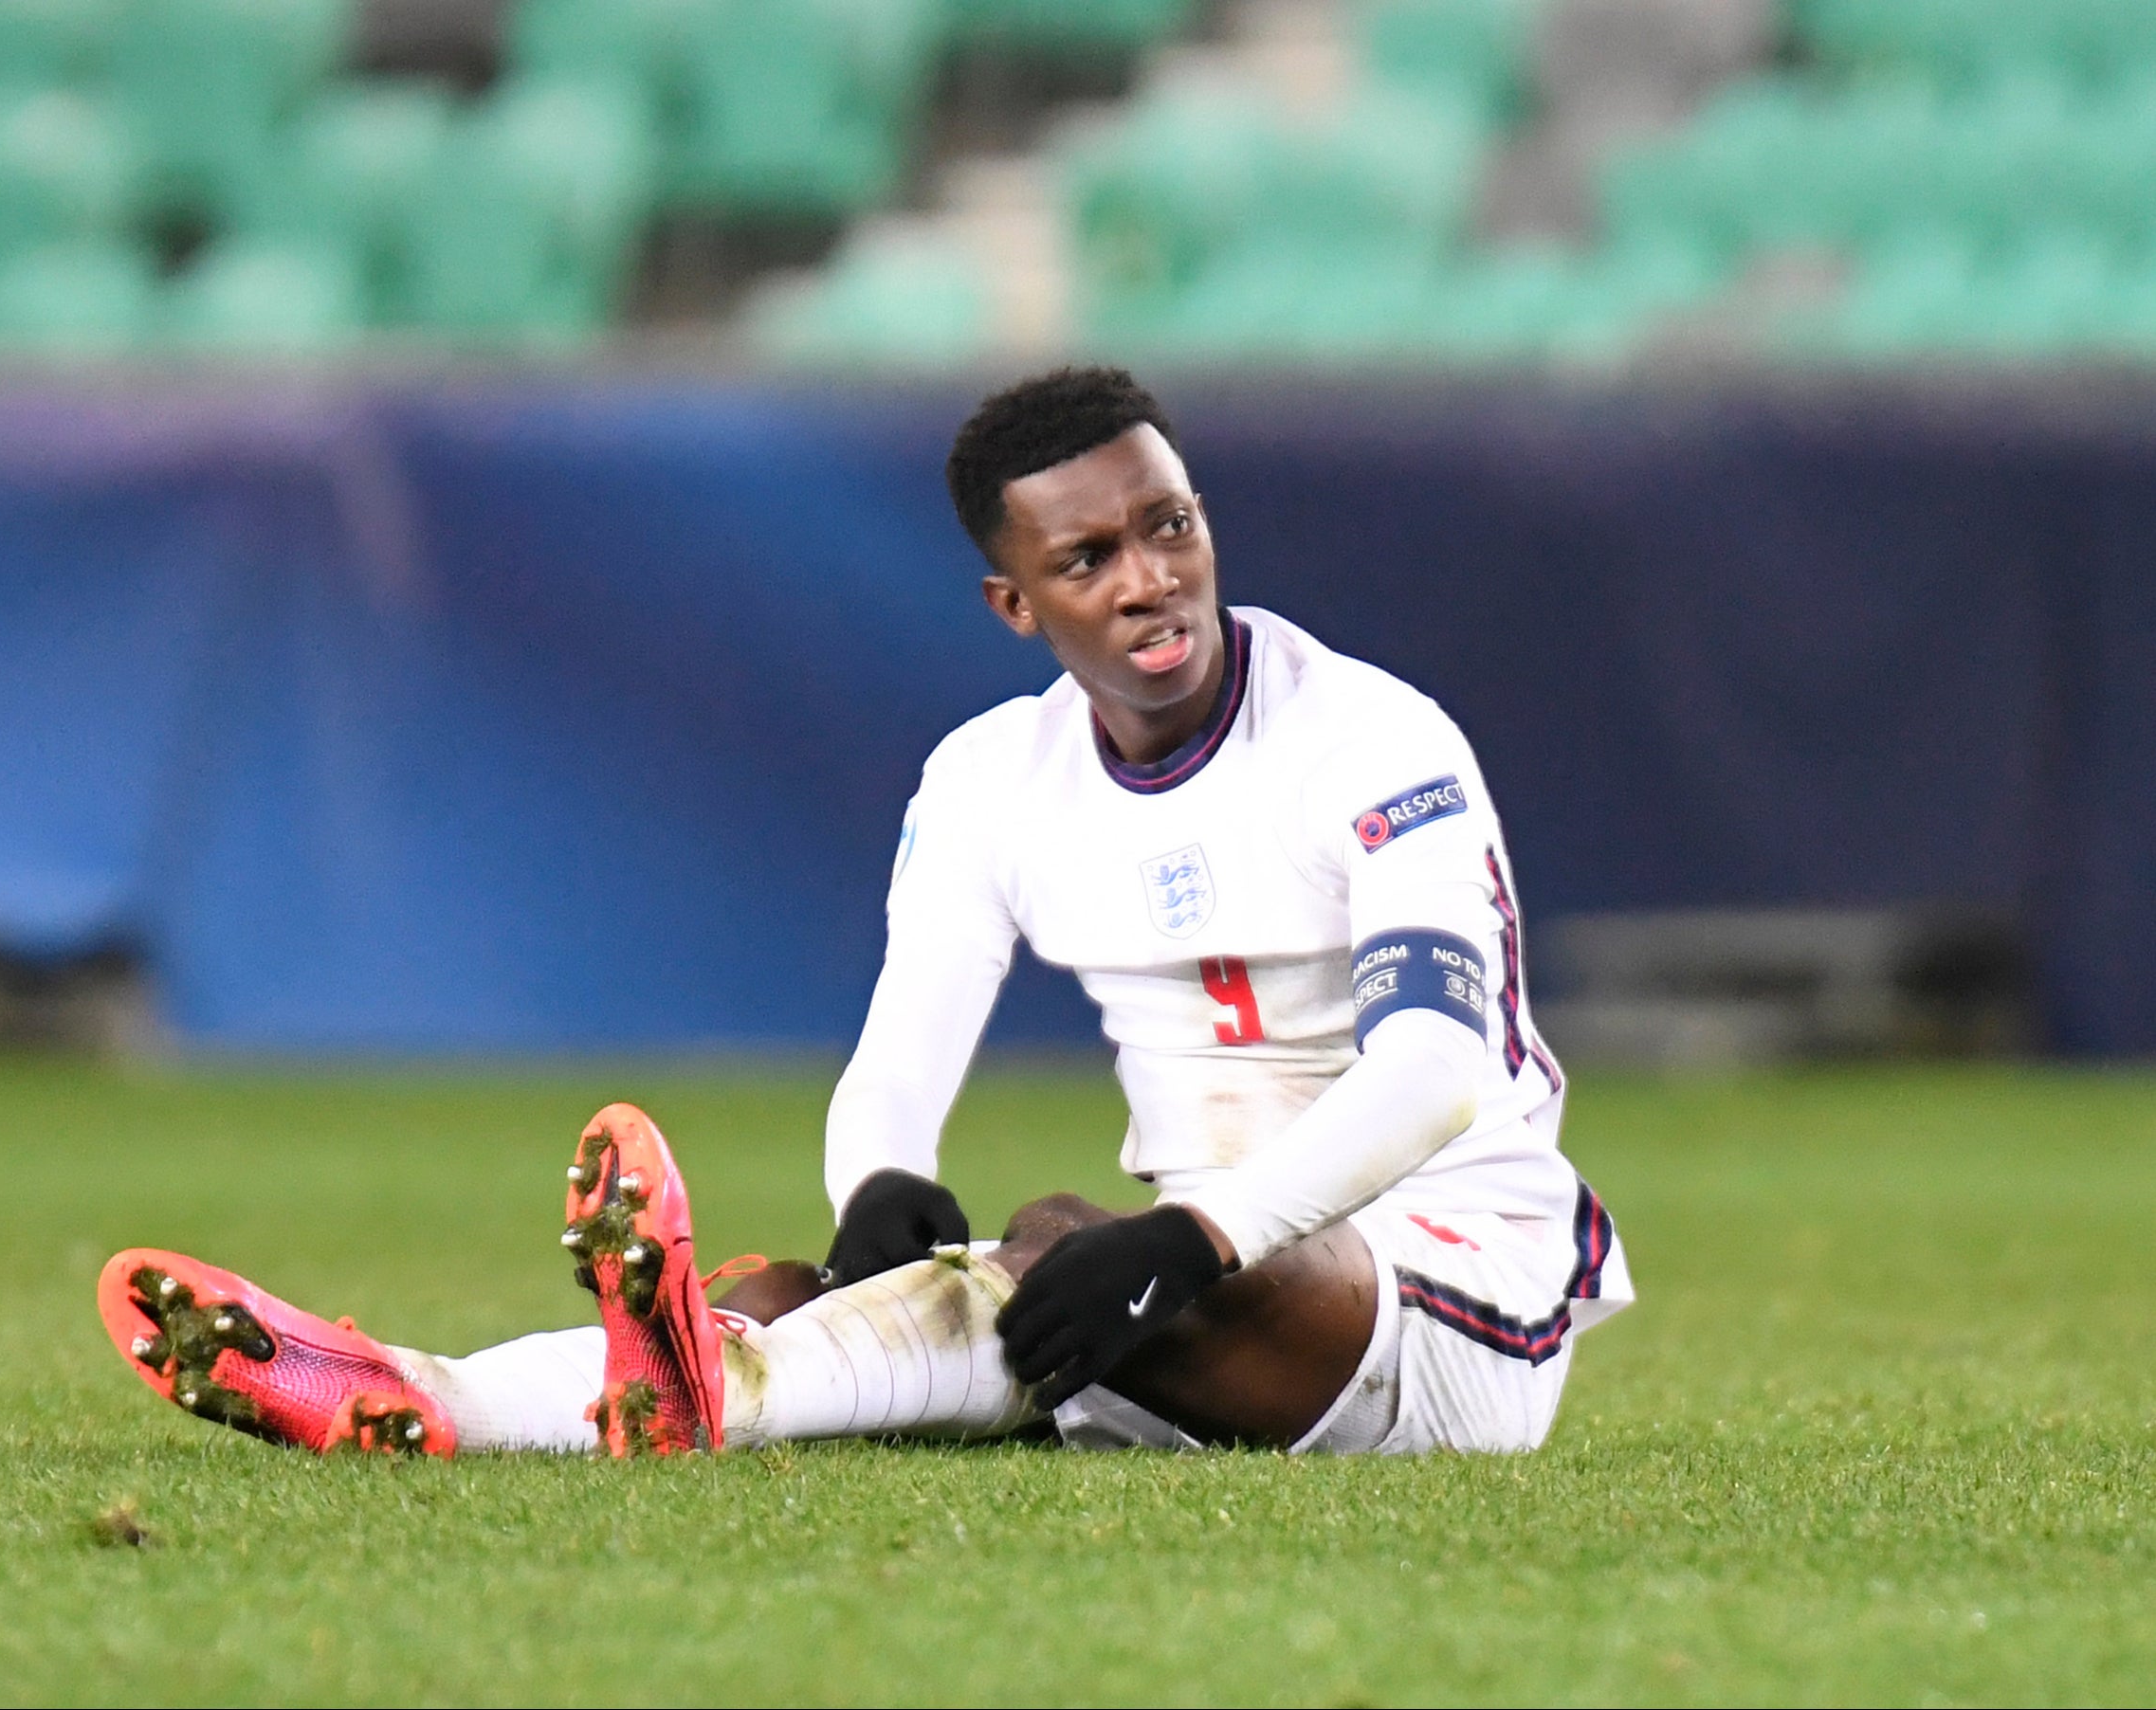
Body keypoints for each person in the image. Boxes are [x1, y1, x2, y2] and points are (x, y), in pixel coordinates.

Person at [98, 366, 1631, 1461]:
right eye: (1087, 558)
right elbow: (908, 1035)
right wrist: (881, 1178)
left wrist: (1196, 1227)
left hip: (1451, 1298)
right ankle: (426, 1393)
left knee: (1045, 1241)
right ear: (1012, 606)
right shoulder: (989, 776)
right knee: (787, 1291)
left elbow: (1434, 1071)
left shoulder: (1376, 740)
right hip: (1177, 1279)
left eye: (1168, 525)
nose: (1151, 580)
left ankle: (652, 1389)